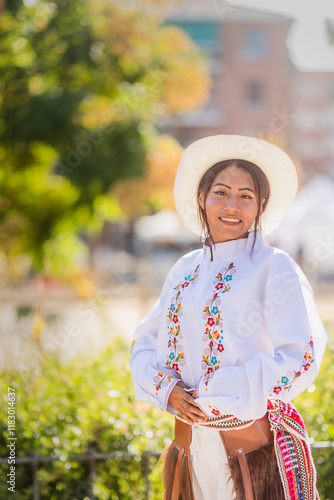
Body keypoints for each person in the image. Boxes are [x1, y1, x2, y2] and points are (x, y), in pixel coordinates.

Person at [129, 135, 328, 500]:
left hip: (250, 449)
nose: (231, 205)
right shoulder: (183, 270)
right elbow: (143, 343)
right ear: (201, 198)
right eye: (220, 192)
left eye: (246, 196)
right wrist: (167, 390)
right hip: (188, 447)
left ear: (261, 205)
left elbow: (303, 353)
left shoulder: (275, 267)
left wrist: (225, 392)